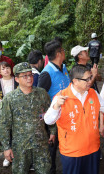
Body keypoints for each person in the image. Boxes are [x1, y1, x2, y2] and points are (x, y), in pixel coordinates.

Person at [44, 64, 104, 174]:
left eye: (91, 77)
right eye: (87, 79)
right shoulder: (61, 97)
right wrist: (56, 107)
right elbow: (48, 120)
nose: (90, 81)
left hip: (92, 149)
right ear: (75, 81)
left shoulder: (93, 93)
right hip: (72, 153)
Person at [0, 62, 53, 174]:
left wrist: (52, 132)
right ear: (17, 79)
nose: (29, 78)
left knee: (45, 171)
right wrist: (6, 147)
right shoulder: (10, 99)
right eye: (25, 76)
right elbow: (4, 124)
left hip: (41, 142)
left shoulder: (42, 93)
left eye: (30, 75)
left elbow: (50, 114)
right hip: (20, 146)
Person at [38, 39, 70, 174]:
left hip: (68, 115)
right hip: (55, 118)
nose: (64, 52)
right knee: (52, 149)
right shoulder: (46, 73)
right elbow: (40, 99)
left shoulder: (64, 67)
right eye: (63, 50)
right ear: (58, 53)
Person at [0, 61, 18, 167]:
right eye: (3, 68)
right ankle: (8, 156)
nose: (6, 70)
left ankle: (18, 155)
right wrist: (3, 110)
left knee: (17, 133)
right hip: (3, 113)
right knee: (6, 134)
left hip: (17, 111)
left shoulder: (16, 80)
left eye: (7, 68)